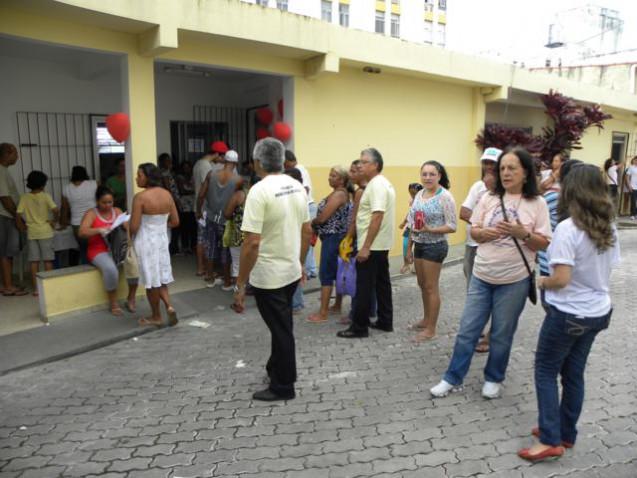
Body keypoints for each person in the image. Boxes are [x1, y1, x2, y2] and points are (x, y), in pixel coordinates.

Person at [430, 147, 551, 399]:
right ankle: (452, 377)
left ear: (526, 173)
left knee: (501, 333)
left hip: (515, 280)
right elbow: (474, 230)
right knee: (467, 330)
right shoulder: (488, 198)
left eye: (511, 168)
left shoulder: (537, 203)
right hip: (482, 276)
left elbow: (544, 243)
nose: (505, 173)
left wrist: (523, 234)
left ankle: (494, 377)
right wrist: (482, 234)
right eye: (502, 168)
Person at [518, 164, 620, 462]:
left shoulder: (568, 228)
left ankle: (550, 439)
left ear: (570, 190)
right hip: (597, 312)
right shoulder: (608, 226)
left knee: (545, 371)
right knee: (573, 373)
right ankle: (565, 432)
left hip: (569, 314)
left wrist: (541, 281)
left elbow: (560, 279)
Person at [233, 138, 312, 401]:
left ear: (257, 162)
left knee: (281, 330)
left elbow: (251, 242)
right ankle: (275, 368)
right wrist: (300, 263)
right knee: (283, 325)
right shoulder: (296, 186)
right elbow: (306, 230)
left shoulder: (258, 190)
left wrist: (240, 283)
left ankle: (283, 386)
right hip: (289, 270)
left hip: (269, 276)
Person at [337, 148, 396, 339]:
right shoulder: (380, 183)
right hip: (380, 244)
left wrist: (365, 247)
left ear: (375, 165)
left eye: (364, 162)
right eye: (360, 161)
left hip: (372, 246)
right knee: (382, 284)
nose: (359, 165)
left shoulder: (377, 185)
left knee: (364, 287)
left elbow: (377, 216)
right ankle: (385, 321)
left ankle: (359, 327)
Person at [406, 161, 457, 341]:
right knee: (421, 284)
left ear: (439, 176)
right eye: (424, 174)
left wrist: (430, 229)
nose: (427, 178)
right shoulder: (420, 193)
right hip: (419, 244)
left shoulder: (445, 197)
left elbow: (452, 226)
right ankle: (426, 320)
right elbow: (413, 222)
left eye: (431, 174)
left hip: (435, 246)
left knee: (431, 286)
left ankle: (431, 329)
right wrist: (408, 248)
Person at [460, 148, 499, 353]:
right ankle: (477, 330)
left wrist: (480, 224)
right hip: (473, 245)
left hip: (493, 249)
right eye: (486, 162)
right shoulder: (477, 187)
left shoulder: (507, 190)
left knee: (493, 292)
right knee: (474, 292)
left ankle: (492, 334)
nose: (489, 166)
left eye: (493, 162)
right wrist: (483, 225)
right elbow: (464, 211)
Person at [130, 163, 180, 328]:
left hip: (146, 242)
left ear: (148, 177)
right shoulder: (167, 195)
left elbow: (134, 226)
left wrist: (127, 228)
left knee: (151, 282)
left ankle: (156, 316)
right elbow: (175, 221)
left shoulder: (140, 198)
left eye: (139, 175)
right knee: (161, 278)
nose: (137, 178)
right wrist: (159, 226)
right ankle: (169, 306)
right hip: (161, 240)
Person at [79, 186, 138, 315]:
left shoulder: (117, 211)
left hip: (118, 247)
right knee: (111, 269)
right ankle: (113, 302)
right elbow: (82, 232)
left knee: (134, 264)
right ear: (97, 201)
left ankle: (131, 297)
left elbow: (127, 228)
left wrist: (125, 231)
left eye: (110, 202)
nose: (107, 205)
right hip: (98, 250)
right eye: (104, 202)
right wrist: (98, 230)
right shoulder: (91, 213)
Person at [307, 167, 352, 324]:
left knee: (326, 273)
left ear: (342, 180)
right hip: (335, 237)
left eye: (333, 176)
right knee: (338, 272)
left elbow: (324, 217)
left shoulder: (339, 194)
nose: (329, 178)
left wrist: (312, 223)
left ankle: (323, 312)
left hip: (333, 238)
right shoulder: (339, 193)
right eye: (330, 175)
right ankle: (337, 305)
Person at [538, 159, 583, 311]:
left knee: (552, 308)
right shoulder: (588, 203)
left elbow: (536, 223)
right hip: (577, 265)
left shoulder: (551, 198)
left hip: (550, 263)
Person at [197, 150, 241, 291]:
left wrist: (198, 211)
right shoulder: (237, 180)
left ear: (224, 161)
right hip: (226, 220)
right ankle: (227, 282)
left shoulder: (211, 174)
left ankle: (210, 279)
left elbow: (201, 195)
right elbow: (238, 200)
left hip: (210, 217)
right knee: (225, 251)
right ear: (235, 163)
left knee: (210, 248)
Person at [16, 171, 59, 296]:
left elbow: (18, 214)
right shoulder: (46, 196)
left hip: (32, 233)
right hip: (46, 232)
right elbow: (56, 210)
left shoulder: (24, 197)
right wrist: (53, 221)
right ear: (42, 185)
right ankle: (49, 288)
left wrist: (21, 227)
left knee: (33, 262)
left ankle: (36, 290)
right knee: (48, 260)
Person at [193, 141, 228, 276]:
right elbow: (206, 189)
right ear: (217, 154)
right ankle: (205, 269)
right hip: (205, 207)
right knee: (205, 239)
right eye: (222, 157)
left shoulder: (198, 163)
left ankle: (202, 268)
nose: (222, 160)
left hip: (199, 206)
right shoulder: (206, 166)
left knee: (202, 238)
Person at [284, 150, 317, 279]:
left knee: (305, 240)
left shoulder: (298, 170)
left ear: (287, 161)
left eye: (284, 163)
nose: (283, 166)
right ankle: (312, 269)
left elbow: (305, 189)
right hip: (308, 206)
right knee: (307, 241)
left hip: (307, 206)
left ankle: (308, 271)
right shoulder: (299, 168)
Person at [0, 143, 27, 296]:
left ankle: (7, 283)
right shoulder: (0, 171)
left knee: (6, 252)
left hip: (7, 215)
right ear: (7, 153)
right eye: (15, 153)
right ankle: (8, 286)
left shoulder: (3, 171)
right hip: (5, 216)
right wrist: (17, 217)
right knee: (5, 252)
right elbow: (4, 197)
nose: (17, 157)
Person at [61, 166, 98, 265]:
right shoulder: (94, 184)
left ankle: (85, 270)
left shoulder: (66, 188)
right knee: (96, 248)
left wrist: (63, 223)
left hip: (76, 224)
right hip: (93, 221)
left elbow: (64, 208)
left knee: (83, 249)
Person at [223, 177, 249, 283]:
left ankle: (238, 289)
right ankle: (250, 286)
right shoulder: (256, 194)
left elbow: (227, 214)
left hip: (238, 234)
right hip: (252, 233)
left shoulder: (238, 195)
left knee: (237, 263)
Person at [158, 153, 182, 254]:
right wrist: (175, 200)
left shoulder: (167, 172)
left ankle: (173, 247)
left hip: (171, 200)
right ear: (162, 162)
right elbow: (168, 188)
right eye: (167, 160)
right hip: (171, 201)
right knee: (174, 224)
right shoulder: (164, 173)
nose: (170, 162)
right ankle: (173, 248)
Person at [399, 183, 423, 275]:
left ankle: (416, 265)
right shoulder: (412, 201)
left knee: (418, 247)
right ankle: (406, 264)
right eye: (410, 193)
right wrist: (404, 222)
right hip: (410, 226)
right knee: (405, 245)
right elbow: (410, 213)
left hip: (418, 227)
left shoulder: (423, 201)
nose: (412, 195)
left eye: (414, 193)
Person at [176, 161, 197, 254]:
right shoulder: (179, 177)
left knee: (193, 226)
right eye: (184, 167)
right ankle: (185, 247)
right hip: (184, 205)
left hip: (193, 205)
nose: (186, 169)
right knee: (185, 226)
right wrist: (193, 191)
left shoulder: (193, 176)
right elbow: (182, 191)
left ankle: (193, 246)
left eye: (188, 167)